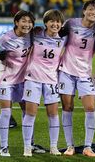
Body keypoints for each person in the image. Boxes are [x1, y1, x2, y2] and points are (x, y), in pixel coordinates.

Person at [57, 0, 95, 157]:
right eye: (91, 9)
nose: (93, 12)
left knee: (91, 108)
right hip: (66, 72)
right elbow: (57, 41)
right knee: (67, 107)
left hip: (85, 74)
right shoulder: (71, 23)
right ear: (84, 10)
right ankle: (70, 146)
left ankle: (87, 147)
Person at [0, 10, 39, 157]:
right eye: (23, 21)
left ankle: (30, 144)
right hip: (5, 78)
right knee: (6, 112)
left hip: (23, 78)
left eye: (30, 21)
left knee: (27, 111)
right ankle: (4, 147)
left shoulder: (32, 36)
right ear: (16, 22)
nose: (27, 24)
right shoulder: (6, 37)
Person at [21, 9, 66, 157]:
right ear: (45, 23)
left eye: (58, 21)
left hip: (51, 81)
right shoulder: (36, 34)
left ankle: (54, 147)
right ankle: (27, 146)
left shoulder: (63, 39)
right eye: (52, 21)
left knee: (53, 114)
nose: (55, 24)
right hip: (32, 79)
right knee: (30, 113)